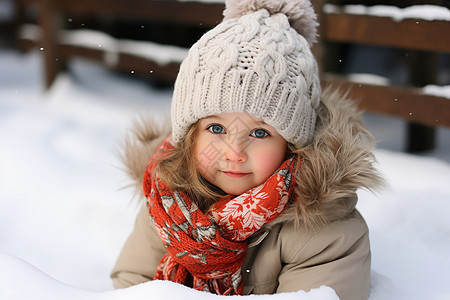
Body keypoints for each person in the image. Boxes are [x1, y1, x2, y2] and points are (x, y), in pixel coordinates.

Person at [111, 0, 385, 299]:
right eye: (216, 129)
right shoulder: (167, 200)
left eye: (259, 132)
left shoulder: (324, 230)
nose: (234, 152)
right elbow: (132, 284)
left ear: (293, 145)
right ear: (190, 136)